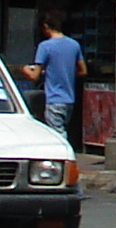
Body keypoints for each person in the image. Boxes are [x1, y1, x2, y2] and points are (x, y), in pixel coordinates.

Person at [23, 13, 85, 142]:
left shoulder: (45, 46)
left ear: (46, 27)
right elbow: (83, 70)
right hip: (69, 100)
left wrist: (24, 70)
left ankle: (65, 158)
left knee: (57, 134)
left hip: (54, 99)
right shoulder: (74, 45)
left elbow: (35, 76)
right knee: (62, 128)